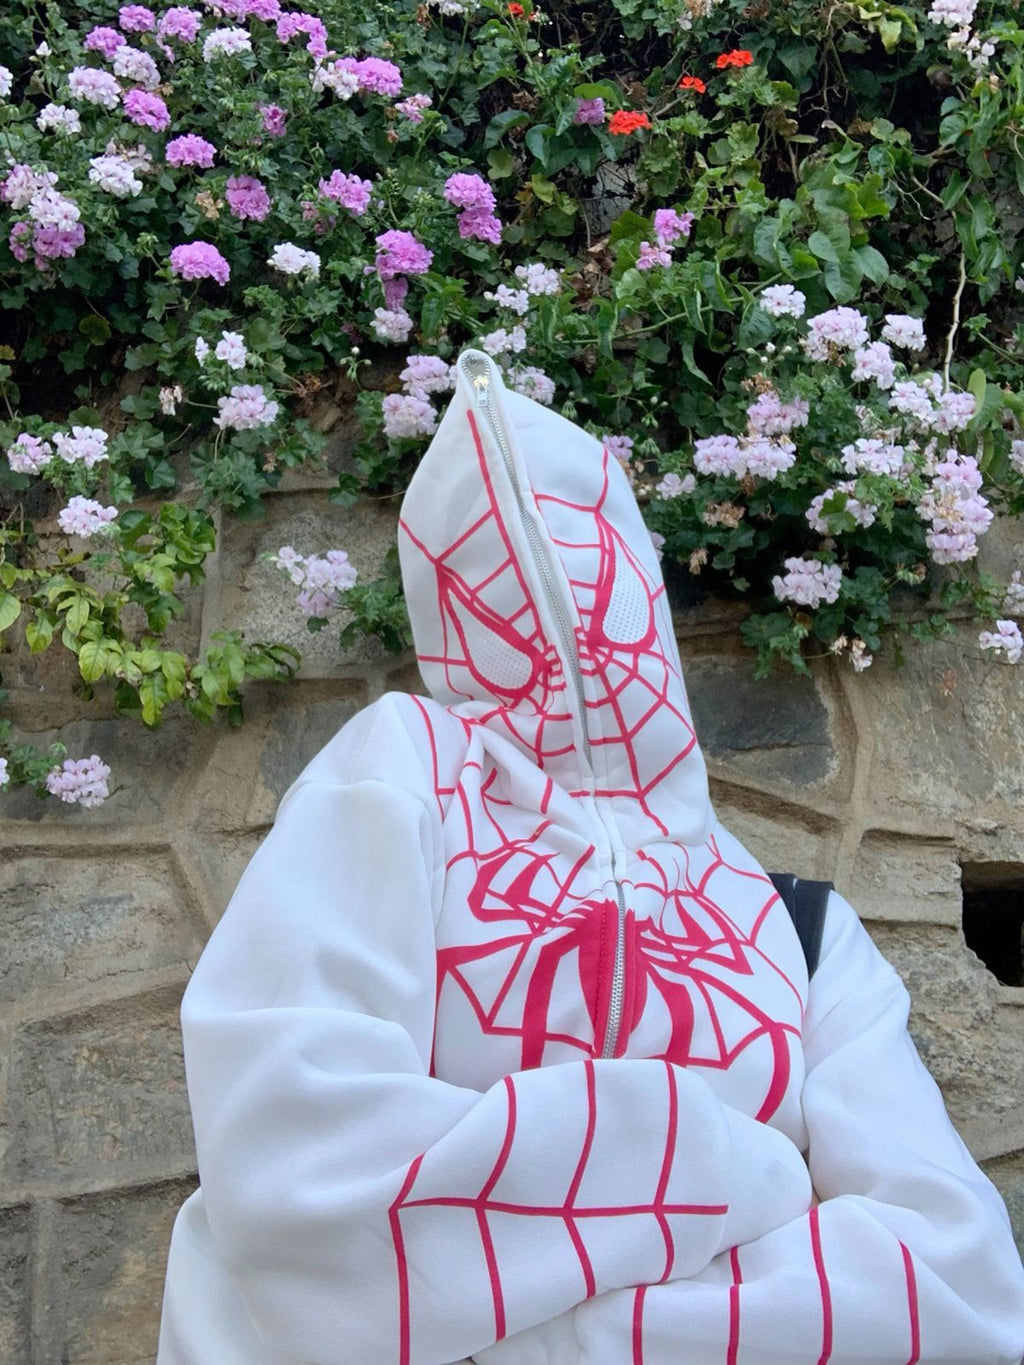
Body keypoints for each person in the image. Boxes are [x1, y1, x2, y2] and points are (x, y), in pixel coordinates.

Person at [157, 348, 1024, 1364]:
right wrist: (749, 1179)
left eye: (596, 559)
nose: (562, 603)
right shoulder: (399, 781)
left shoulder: (799, 929)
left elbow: (960, 1293)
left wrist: (515, 1323)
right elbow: (303, 1181)